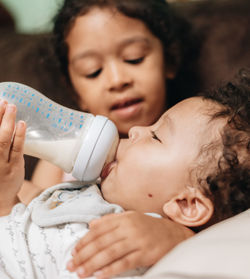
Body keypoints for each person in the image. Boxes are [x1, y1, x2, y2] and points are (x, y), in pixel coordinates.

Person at [0, 69, 249, 278]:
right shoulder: (89, 193)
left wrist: (177, 238)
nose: (135, 131)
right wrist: (7, 196)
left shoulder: (129, 246)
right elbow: (24, 240)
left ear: (186, 204)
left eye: (156, 136)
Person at [27, 0, 199, 191]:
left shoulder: (192, 144)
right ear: (75, 92)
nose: (117, 80)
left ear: (169, 60)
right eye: (93, 71)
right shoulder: (59, 158)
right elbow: (30, 212)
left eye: (134, 58)